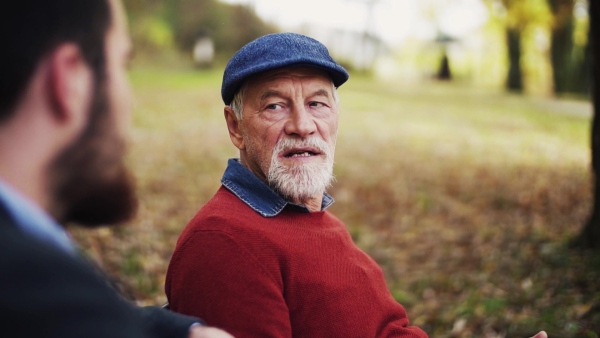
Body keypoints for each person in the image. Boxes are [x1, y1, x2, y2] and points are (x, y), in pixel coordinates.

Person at [164, 32, 426, 338]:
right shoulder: (223, 243)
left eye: (317, 104)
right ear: (236, 128)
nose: (302, 126)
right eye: (275, 106)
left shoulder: (315, 218)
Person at [0, 1, 233, 337]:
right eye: (123, 64)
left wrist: (180, 332)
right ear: (69, 78)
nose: (131, 101)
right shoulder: (45, 298)